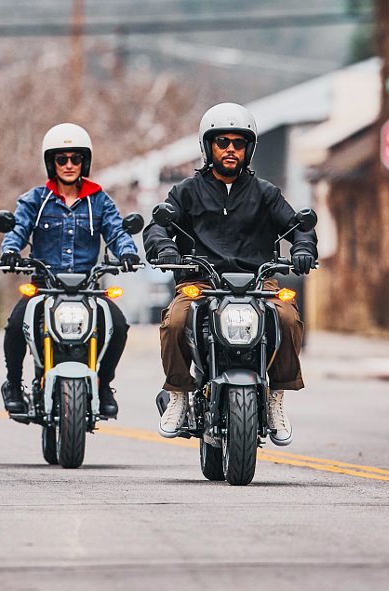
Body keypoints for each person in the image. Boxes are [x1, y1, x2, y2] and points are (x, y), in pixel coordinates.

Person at [143, 102, 317, 445]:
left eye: (239, 143)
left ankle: (276, 397)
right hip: (201, 282)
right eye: (223, 142)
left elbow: (298, 227)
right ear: (208, 146)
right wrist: (164, 247)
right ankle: (178, 393)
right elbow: (157, 227)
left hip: (257, 283)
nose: (230, 149)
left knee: (286, 316)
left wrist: (302, 249)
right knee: (175, 320)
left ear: (248, 149)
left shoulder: (266, 193)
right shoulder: (186, 192)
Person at [0, 123, 141, 418]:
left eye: (75, 158)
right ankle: (13, 384)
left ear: (84, 162)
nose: (68, 164)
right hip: (44, 287)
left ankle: (104, 384)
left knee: (118, 326)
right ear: (51, 162)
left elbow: (116, 232)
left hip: (88, 288)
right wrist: (10, 251)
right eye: (61, 159)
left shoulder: (99, 200)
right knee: (14, 326)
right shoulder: (36, 200)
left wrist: (127, 252)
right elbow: (18, 228)